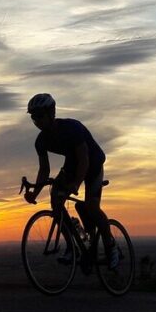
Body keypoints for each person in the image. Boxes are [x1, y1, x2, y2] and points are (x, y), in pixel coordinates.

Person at [24, 93, 118, 271]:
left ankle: (110, 245)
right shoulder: (41, 141)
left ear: (51, 113)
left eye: (40, 116)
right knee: (56, 200)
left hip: (93, 163)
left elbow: (84, 160)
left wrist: (75, 184)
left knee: (91, 207)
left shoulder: (71, 128)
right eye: (33, 117)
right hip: (73, 164)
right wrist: (34, 193)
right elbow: (44, 170)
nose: (36, 121)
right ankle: (72, 246)